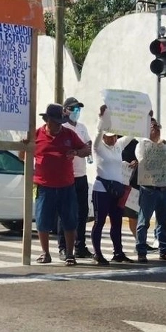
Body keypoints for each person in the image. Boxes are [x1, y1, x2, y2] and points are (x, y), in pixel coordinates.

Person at [21, 103, 89, 266]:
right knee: (42, 220)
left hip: (66, 185)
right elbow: (22, 156)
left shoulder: (69, 134)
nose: (59, 125)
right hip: (43, 186)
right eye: (56, 122)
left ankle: (70, 254)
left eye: (60, 122)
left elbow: (86, 149)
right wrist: (23, 145)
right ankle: (45, 253)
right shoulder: (36, 134)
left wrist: (77, 152)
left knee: (70, 220)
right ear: (47, 120)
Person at [135, 118, 166, 263]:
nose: (157, 129)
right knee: (144, 222)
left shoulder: (164, 145)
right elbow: (144, 161)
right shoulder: (142, 144)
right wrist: (159, 149)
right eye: (154, 126)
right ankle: (141, 251)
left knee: (163, 221)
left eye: (158, 126)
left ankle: (164, 250)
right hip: (149, 188)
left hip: (164, 188)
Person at [90, 106, 133, 264]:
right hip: (101, 189)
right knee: (99, 221)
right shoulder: (98, 147)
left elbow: (132, 134)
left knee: (117, 222)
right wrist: (102, 117)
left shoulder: (118, 146)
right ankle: (97, 253)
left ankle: (118, 252)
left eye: (114, 136)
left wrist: (144, 119)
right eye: (109, 137)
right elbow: (98, 133)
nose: (112, 139)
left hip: (117, 189)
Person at [57, 97, 94, 261]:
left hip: (81, 175)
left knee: (82, 212)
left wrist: (84, 149)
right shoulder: (62, 128)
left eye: (79, 109)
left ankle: (80, 246)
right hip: (67, 176)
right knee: (65, 212)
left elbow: (87, 147)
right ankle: (63, 247)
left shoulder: (82, 128)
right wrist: (80, 149)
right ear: (65, 110)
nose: (76, 112)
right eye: (73, 109)